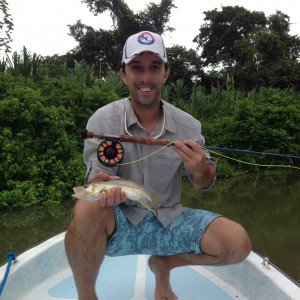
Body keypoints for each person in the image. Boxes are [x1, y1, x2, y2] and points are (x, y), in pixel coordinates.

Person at [65, 31, 252, 300]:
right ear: (123, 74)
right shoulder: (102, 120)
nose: (145, 78)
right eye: (136, 67)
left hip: (170, 219)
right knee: (86, 207)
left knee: (237, 243)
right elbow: (96, 180)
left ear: (165, 74)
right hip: (120, 222)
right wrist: (101, 188)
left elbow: (204, 183)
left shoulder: (189, 125)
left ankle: (164, 265)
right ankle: (87, 297)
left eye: (154, 67)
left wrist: (201, 170)